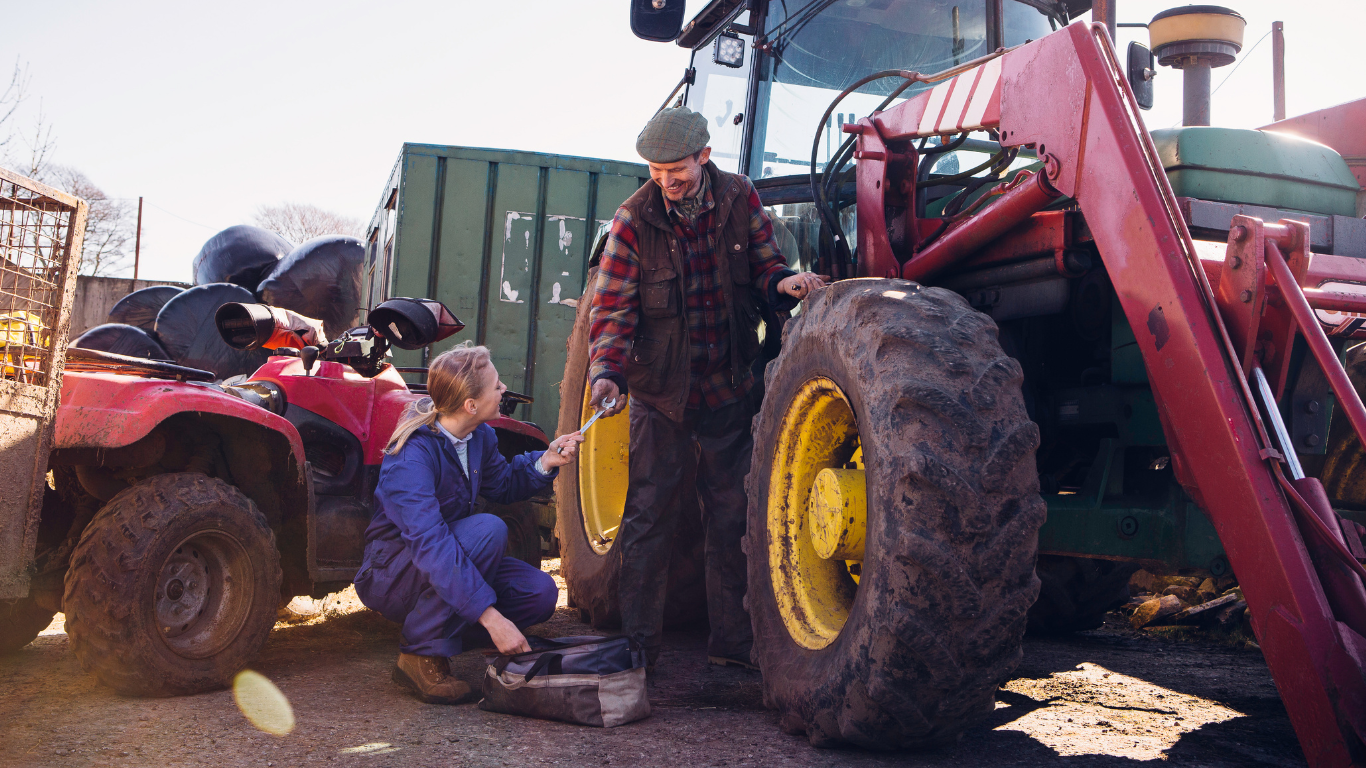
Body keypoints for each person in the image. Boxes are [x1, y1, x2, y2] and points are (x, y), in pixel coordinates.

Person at [586, 107, 828, 670]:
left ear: (705, 157)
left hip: (726, 387)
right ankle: (639, 649)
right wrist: (605, 373)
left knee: (733, 514)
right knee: (649, 518)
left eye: (676, 170)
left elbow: (767, 266)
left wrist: (786, 282)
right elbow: (613, 310)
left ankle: (734, 646)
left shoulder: (741, 198)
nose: (666, 182)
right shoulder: (632, 220)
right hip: (660, 396)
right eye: (655, 171)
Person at [355, 344, 584, 704]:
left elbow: (504, 482)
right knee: (488, 531)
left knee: (539, 594)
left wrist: (547, 460)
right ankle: (418, 654)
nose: (504, 389)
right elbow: (432, 546)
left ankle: (445, 637)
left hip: (446, 557)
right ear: (470, 405)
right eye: (496, 385)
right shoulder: (411, 455)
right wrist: (492, 619)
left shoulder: (478, 437)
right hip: (395, 572)